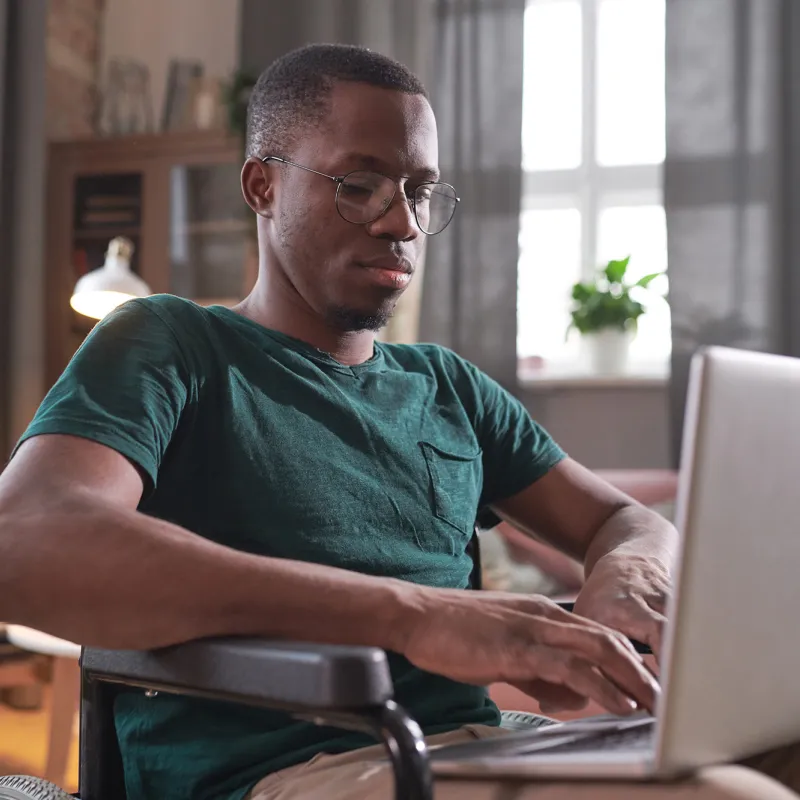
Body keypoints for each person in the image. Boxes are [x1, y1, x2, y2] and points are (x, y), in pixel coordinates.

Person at [0, 44, 795, 800]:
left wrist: (630, 573)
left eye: (420, 190)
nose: (402, 224)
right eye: (362, 184)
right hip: (283, 773)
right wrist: (412, 614)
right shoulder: (172, 342)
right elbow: (27, 540)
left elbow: (622, 519)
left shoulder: (445, 384)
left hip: (461, 753)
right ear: (262, 185)